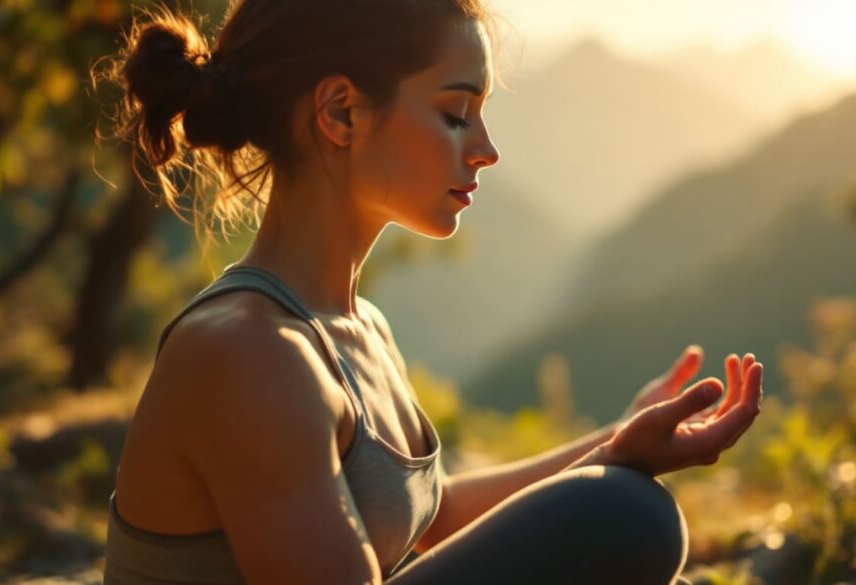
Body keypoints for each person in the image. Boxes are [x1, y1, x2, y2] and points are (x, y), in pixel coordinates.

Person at [99, 1, 764, 583]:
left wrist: (618, 440)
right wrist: (608, 479)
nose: (485, 149)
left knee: (621, 499)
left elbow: (431, 512)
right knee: (623, 514)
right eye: (455, 113)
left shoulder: (357, 326)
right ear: (341, 112)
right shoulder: (250, 351)